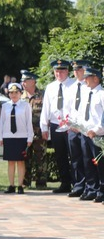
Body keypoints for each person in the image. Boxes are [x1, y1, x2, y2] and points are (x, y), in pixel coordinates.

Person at [40, 59, 74, 193]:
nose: (59, 73)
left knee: (74, 155)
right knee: (60, 156)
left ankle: (78, 183)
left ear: (67, 71)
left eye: (62, 70)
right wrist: (44, 127)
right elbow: (46, 108)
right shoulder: (51, 87)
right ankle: (65, 183)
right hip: (55, 125)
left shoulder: (74, 84)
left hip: (71, 125)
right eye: (56, 71)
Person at [0, 83, 34, 194]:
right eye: (11, 93)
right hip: (9, 136)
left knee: (21, 162)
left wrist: (29, 138)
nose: (13, 95)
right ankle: (11, 185)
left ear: (20, 93)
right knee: (11, 162)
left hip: (21, 136)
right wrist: (0, 136)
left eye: (16, 92)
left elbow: (29, 122)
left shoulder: (25, 106)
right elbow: (1, 122)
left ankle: (20, 185)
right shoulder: (5, 106)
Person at [78, 67, 103, 201]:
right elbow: (83, 113)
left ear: (95, 78)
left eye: (87, 77)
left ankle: (102, 190)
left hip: (98, 134)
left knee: (99, 163)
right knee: (87, 161)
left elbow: (102, 117)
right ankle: (92, 188)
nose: (85, 80)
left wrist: (97, 130)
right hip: (86, 133)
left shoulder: (102, 94)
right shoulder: (87, 93)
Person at [68, 60, 91, 198]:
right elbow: (68, 108)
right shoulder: (71, 87)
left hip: (84, 128)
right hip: (72, 127)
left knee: (87, 158)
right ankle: (78, 185)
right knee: (75, 158)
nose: (77, 72)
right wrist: (70, 124)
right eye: (75, 70)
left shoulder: (88, 87)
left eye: (79, 69)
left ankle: (89, 186)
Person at [21, 70, 48, 189]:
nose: (23, 83)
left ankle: (41, 183)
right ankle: (25, 182)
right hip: (25, 134)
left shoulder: (43, 95)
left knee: (40, 158)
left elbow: (47, 113)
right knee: (25, 157)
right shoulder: (20, 96)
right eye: (22, 80)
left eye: (25, 80)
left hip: (39, 133)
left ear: (33, 81)